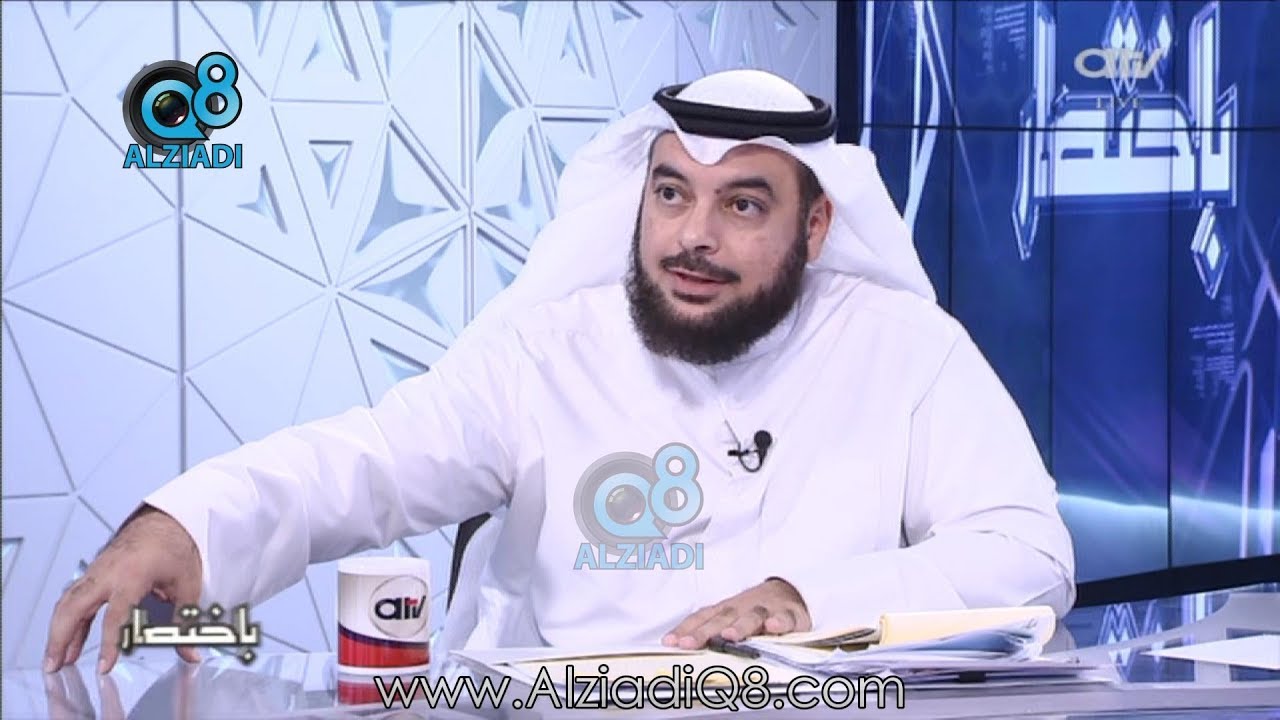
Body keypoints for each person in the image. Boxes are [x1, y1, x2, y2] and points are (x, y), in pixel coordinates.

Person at [44, 70, 1076, 676]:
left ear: (814, 227)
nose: (693, 235)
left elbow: (1026, 552)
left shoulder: (905, 349)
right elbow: (370, 461)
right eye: (670, 193)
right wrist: (186, 525)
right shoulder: (549, 353)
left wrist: (805, 599)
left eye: (742, 205)